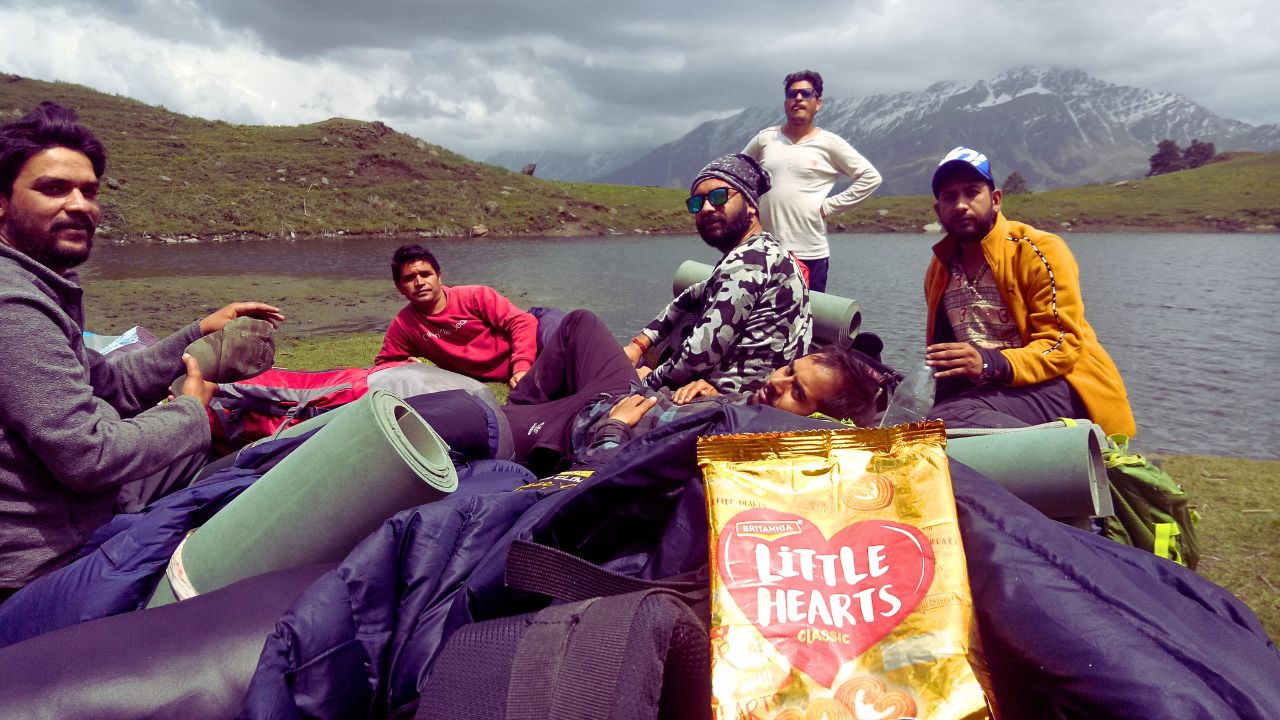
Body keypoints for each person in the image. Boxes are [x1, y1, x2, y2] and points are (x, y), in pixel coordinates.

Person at [0, 102, 285, 596]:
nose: (79, 204)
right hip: (43, 569)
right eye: (52, 188)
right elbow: (89, 458)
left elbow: (108, 382)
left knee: (254, 463)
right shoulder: (13, 304)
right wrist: (191, 414)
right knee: (262, 518)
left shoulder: (39, 285)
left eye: (88, 191)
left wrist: (197, 332)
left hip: (79, 516)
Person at [506, 309, 895, 474]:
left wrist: (614, 427)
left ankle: (528, 428)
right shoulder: (751, 410)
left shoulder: (744, 455)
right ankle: (528, 401)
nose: (777, 382)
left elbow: (610, 479)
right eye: (789, 370)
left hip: (588, 426)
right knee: (580, 323)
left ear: (818, 423)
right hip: (630, 394)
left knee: (499, 426)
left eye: (798, 393)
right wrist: (711, 394)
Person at [922, 146, 1135, 435]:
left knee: (949, 420)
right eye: (950, 197)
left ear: (995, 200)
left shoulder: (1039, 250)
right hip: (993, 392)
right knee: (902, 413)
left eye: (972, 192)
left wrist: (987, 362)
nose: (961, 205)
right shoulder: (939, 268)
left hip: (1061, 383)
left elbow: (1063, 344)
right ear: (938, 210)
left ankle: (1081, 455)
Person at [623, 153, 812, 395]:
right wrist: (639, 344)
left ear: (751, 205)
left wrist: (646, 381)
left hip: (740, 402)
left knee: (584, 332)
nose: (706, 208)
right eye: (697, 203)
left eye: (718, 196)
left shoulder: (748, 262)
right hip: (734, 394)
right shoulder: (760, 251)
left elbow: (697, 357)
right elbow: (691, 295)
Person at [741, 70, 882, 293]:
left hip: (810, 254)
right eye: (792, 94)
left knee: (808, 322)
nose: (798, 99)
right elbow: (738, 174)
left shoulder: (830, 143)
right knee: (761, 322)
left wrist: (828, 206)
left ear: (818, 103)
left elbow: (870, 177)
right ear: (786, 102)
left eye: (806, 94)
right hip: (765, 250)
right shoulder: (765, 138)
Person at [375, 244, 538, 389]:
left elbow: (523, 322)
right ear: (399, 286)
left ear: (439, 276)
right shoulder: (404, 324)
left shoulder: (475, 295)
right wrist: (405, 367)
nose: (419, 283)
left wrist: (522, 367)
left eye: (426, 274)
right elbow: (384, 364)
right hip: (502, 372)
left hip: (533, 340)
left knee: (558, 325)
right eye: (409, 278)